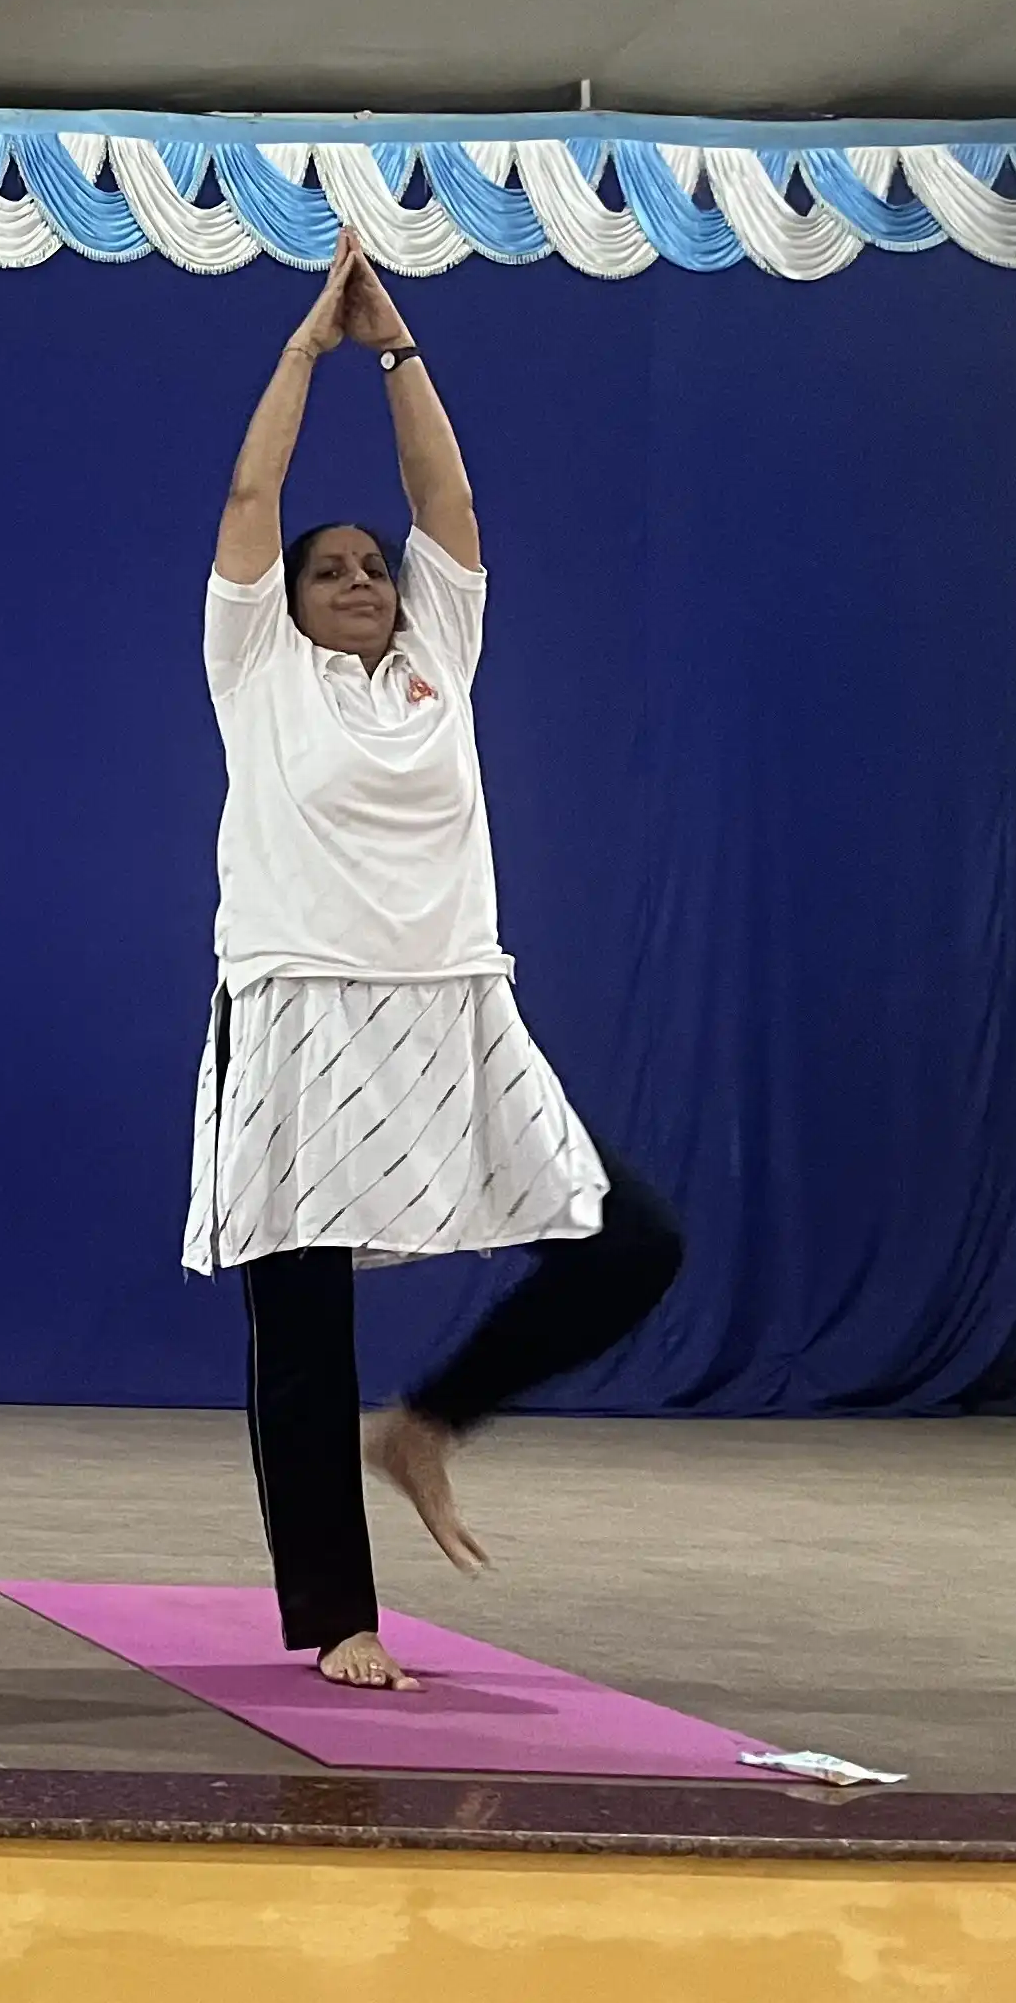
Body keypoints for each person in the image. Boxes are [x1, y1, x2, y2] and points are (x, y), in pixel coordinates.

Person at [191, 234, 685, 1691]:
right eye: (327, 570)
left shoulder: (437, 659)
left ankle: (432, 1425)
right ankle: (341, 1617)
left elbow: (446, 503)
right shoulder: (259, 672)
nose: (357, 577)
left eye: (370, 570)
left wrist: (398, 348)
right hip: (296, 1005)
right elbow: (247, 496)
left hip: (455, 1002)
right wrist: (306, 351)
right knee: (303, 1320)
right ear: (279, 606)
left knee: (633, 1243)